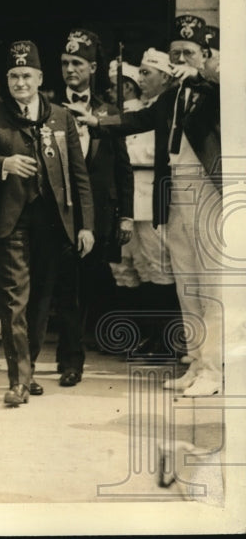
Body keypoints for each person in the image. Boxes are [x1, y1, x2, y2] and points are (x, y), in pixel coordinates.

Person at [75, 15, 222, 396]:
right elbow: (139, 118)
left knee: (211, 283)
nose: (181, 59)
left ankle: (213, 369)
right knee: (187, 282)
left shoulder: (216, 89)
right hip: (174, 193)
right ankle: (195, 362)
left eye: (188, 52)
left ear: (205, 54)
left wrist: (202, 77)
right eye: (175, 53)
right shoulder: (172, 96)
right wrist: (97, 122)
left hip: (208, 193)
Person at [0, 40, 95, 407]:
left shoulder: (60, 116)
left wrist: (86, 225)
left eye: (27, 76)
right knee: (14, 299)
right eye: (14, 76)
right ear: (6, 79)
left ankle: (27, 369)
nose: (20, 83)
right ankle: (18, 381)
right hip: (10, 220)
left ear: (40, 78)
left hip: (54, 222)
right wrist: (3, 163)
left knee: (40, 302)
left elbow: (79, 175)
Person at [53, 29, 133, 387]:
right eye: (65, 63)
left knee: (84, 286)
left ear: (93, 68)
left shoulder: (108, 112)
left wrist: (126, 214)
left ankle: (72, 354)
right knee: (64, 285)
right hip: (59, 214)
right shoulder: (49, 108)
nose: (70, 69)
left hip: (97, 214)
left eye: (77, 63)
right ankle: (71, 359)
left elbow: (123, 168)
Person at [107, 50, 181, 360]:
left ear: (165, 77)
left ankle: (165, 339)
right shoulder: (138, 110)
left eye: (147, 73)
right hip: (129, 198)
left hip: (151, 195)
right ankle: (143, 336)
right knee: (132, 266)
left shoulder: (167, 109)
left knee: (157, 266)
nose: (141, 79)